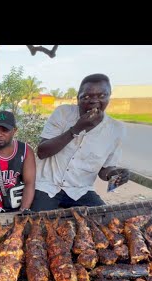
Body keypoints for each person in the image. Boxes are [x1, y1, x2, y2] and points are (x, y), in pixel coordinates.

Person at [31, 74, 129, 211]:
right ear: (78, 98)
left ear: (109, 96)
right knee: (38, 223)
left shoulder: (117, 130)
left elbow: (104, 171)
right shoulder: (63, 113)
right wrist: (77, 128)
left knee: (105, 219)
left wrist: (114, 174)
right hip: (47, 186)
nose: (94, 101)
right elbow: (42, 152)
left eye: (101, 96)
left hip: (80, 191)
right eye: (86, 97)